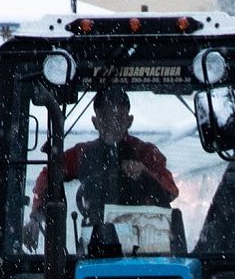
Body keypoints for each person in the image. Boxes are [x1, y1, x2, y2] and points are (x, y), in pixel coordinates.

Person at [23, 86, 179, 250]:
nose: (112, 125)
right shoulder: (82, 154)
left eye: (118, 118)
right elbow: (48, 176)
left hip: (145, 239)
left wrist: (145, 174)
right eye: (105, 118)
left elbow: (170, 191)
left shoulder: (146, 153)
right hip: (95, 239)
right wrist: (35, 217)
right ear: (95, 122)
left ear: (129, 120)